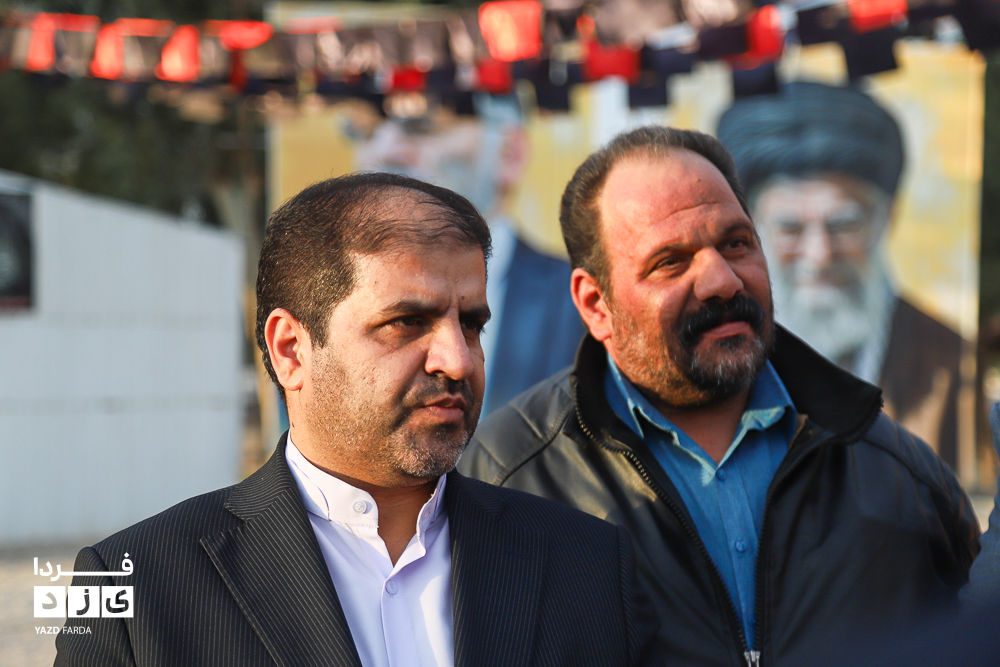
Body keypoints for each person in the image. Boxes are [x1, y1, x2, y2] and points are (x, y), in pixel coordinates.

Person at [55, 173, 660, 666]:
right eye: (406, 322)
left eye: (472, 324)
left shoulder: (586, 565)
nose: (457, 360)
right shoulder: (134, 587)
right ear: (292, 349)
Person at [459, 126, 980, 667]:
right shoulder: (503, 483)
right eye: (671, 261)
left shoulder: (896, 475)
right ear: (596, 305)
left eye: (735, 243)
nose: (722, 281)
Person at [716, 81, 965, 466]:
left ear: (888, 219)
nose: (819, 256)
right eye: (790, 229)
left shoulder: (952, 364)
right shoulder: (715, 353)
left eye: (845, 225)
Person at [352, 93, 586, 416]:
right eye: (365, 131)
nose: (385, 149)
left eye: (422, 126)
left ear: (509, 154)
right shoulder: (321, 305)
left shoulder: (583, 307)